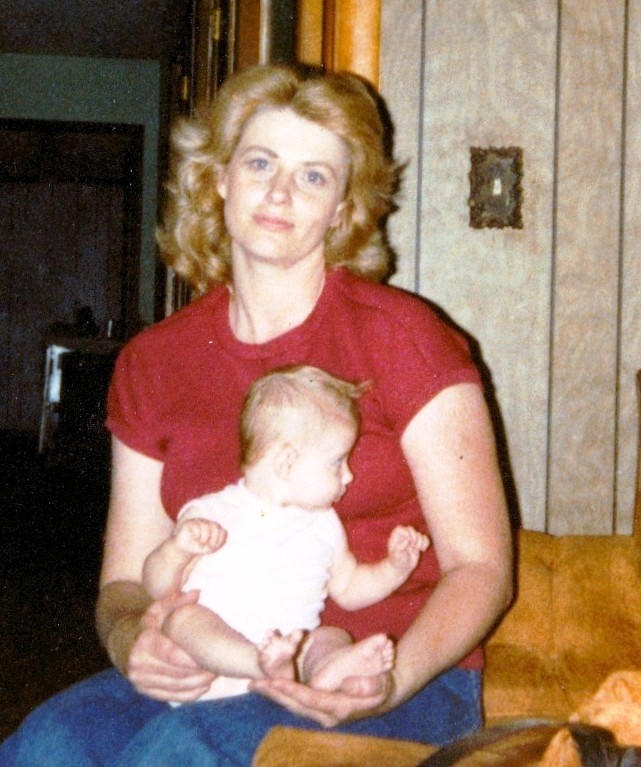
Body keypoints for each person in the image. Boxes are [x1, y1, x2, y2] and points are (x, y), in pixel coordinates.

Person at [0, 63, 513, 766]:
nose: (279, 192)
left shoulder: (406, 339)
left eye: (313, 176)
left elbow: (481, 567)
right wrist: (133, 641)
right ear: (219, 178)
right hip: (216, 666)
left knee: (181, 753)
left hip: (394, 675)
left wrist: (392, 680)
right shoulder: (153, 361)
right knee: (45, 746)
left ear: (342, 208)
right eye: (261, 162)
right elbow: (123, 582)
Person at [142, 365, 430, 702]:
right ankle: (256, 662)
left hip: (291, 655)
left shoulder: (323, 523)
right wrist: (176, 550)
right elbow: (158, 588)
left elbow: (350, 588)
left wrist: (395, 567)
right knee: (183, 620)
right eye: (338, 462)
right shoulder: (210, 514)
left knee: (330, 636)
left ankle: (327, 669)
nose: (349, 476)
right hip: (211, 668)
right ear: (286, 463)